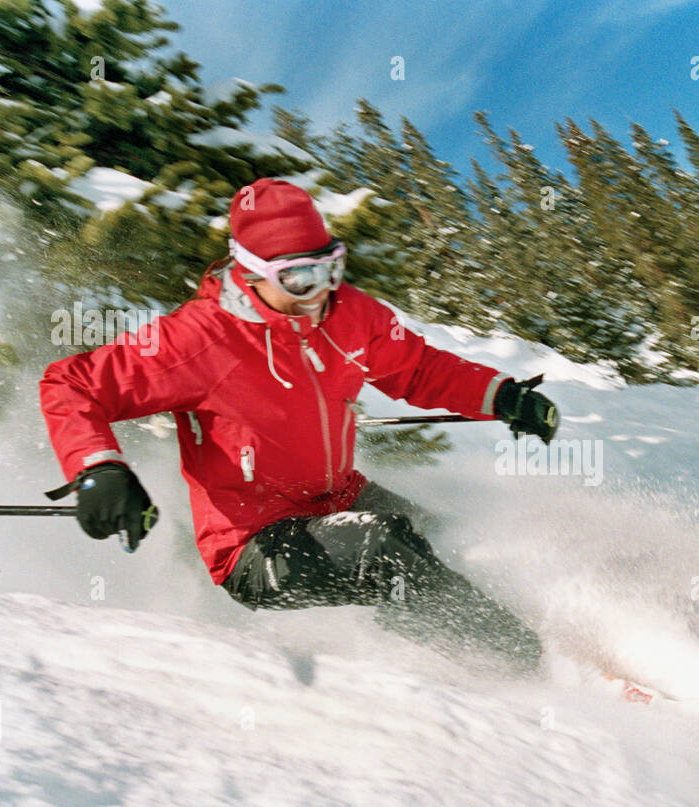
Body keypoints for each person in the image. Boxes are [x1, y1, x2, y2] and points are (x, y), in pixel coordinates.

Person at [40, 178, 557, 673]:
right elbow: (71, 384)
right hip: (253, 542)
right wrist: (98, 466)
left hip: (340, 500)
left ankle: (524, 633)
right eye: (298, 278)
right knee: (387, 553)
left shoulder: (350, 313)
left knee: (448, 540)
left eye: (330, 269)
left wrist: (500, 395)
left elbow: (419, 369)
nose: (319, 292)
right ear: (251, 270)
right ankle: (531, 669)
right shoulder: (198, 338)